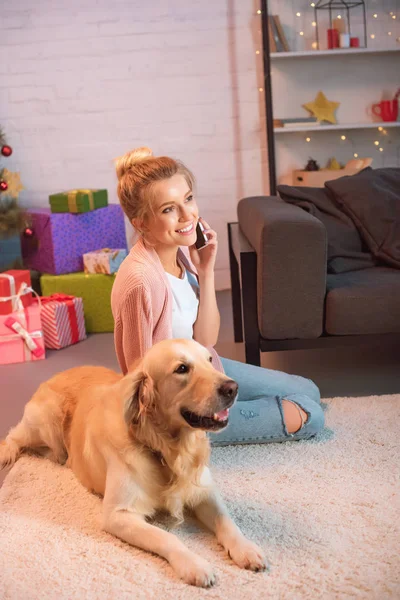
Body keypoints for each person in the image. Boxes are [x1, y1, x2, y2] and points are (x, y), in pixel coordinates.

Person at [111, 147, 325, 446]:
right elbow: (138, 376)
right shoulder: (140, 282)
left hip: (208, 370)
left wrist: (206, 270)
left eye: (188, 199)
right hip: (180, 408)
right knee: (311, 415)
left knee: (309, 390)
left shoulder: (182, 254)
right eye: (168, 209)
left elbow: (205, 339)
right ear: (141, 222)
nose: (188, 215)